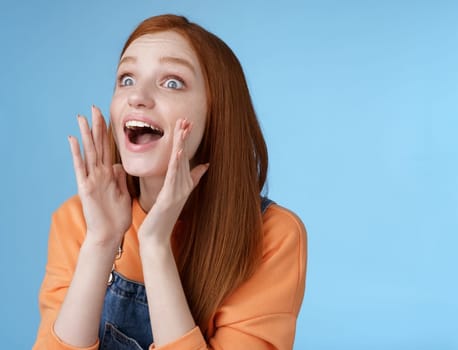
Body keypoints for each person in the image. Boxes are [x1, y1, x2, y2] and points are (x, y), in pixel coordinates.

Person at [33, 14, 307, 350]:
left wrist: (155, 245)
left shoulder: (272, 237)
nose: (138, 97)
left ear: (217, 113)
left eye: (172, 82)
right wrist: (101, 243)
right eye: (127, 78)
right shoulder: (78, 221)